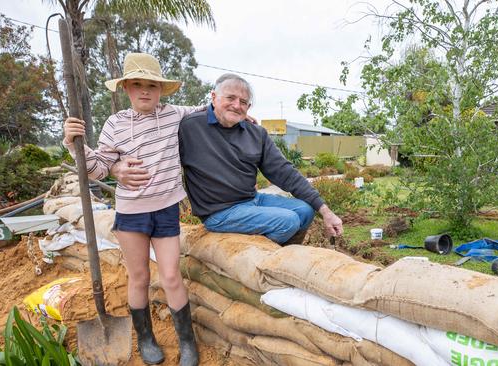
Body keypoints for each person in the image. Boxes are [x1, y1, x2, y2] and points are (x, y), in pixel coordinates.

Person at [63, 52, 201, 366]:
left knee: (170, 276)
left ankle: (187, 344)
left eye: (151, 85)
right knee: (138, 276)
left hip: (166, 208)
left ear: (160, 89)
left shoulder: (174, 115)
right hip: (131, 212)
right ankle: (146, 338)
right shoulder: (115, 124)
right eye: (137, 84)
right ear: (126, 88)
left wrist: (235, 110)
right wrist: (74, 145)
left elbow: (209, 110)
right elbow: (97, 168)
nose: (144, 91)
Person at [111, 73, 343, 245]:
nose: (237, 105)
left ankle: (281, 254)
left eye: (243, 102)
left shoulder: (255, 133)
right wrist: (116, 165)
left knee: (304, 211)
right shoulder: (190, 127)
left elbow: (285, 172)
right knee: (287, 222)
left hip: (251, 201)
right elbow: (153, 146)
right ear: (213, 97)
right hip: (219, 212)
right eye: (230, 98)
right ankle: (265, 256)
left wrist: (325, 210)